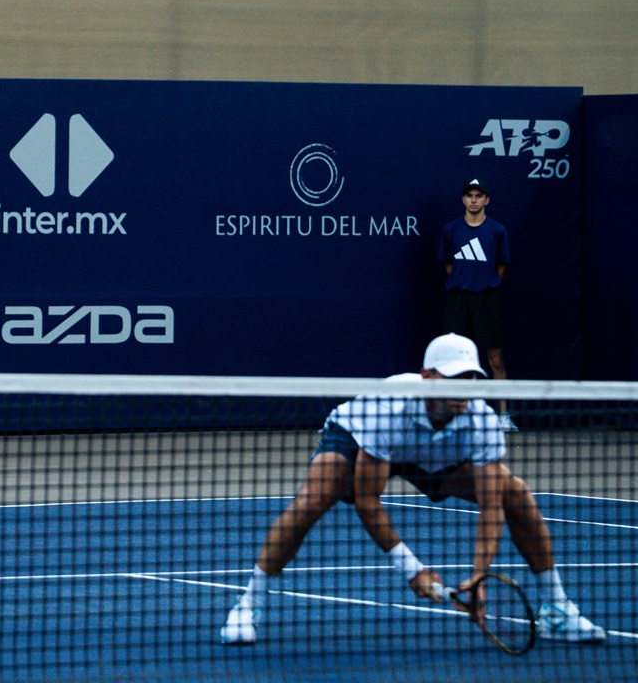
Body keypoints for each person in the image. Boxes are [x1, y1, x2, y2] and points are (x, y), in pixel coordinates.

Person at [219, 333, 605, 645]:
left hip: (433, 455)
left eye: (470, 378)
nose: (463, 388)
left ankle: (556, 609)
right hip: (359, 438)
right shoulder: (389, 405)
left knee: (515, 493)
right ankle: (248, 603)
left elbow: (492, 506)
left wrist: (478, 577)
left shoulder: (481, 419)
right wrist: (412, 570)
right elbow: (368, 501)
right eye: (452, 378)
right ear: (427, 376)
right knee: (312, 499)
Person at [438, 178, 516, 431]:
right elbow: (448, 263)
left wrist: (484, 284)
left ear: (486, 200)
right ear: (463, 199)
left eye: (478, 196)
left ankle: (503, 415)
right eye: (469, 195)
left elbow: (501, 266)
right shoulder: (451, 230)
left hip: (486, 300)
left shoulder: (497, 231)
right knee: (453, 361)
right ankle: (453, 416)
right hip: (457, 300)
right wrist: (463, 281)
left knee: (496, 360)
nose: (474, 200)